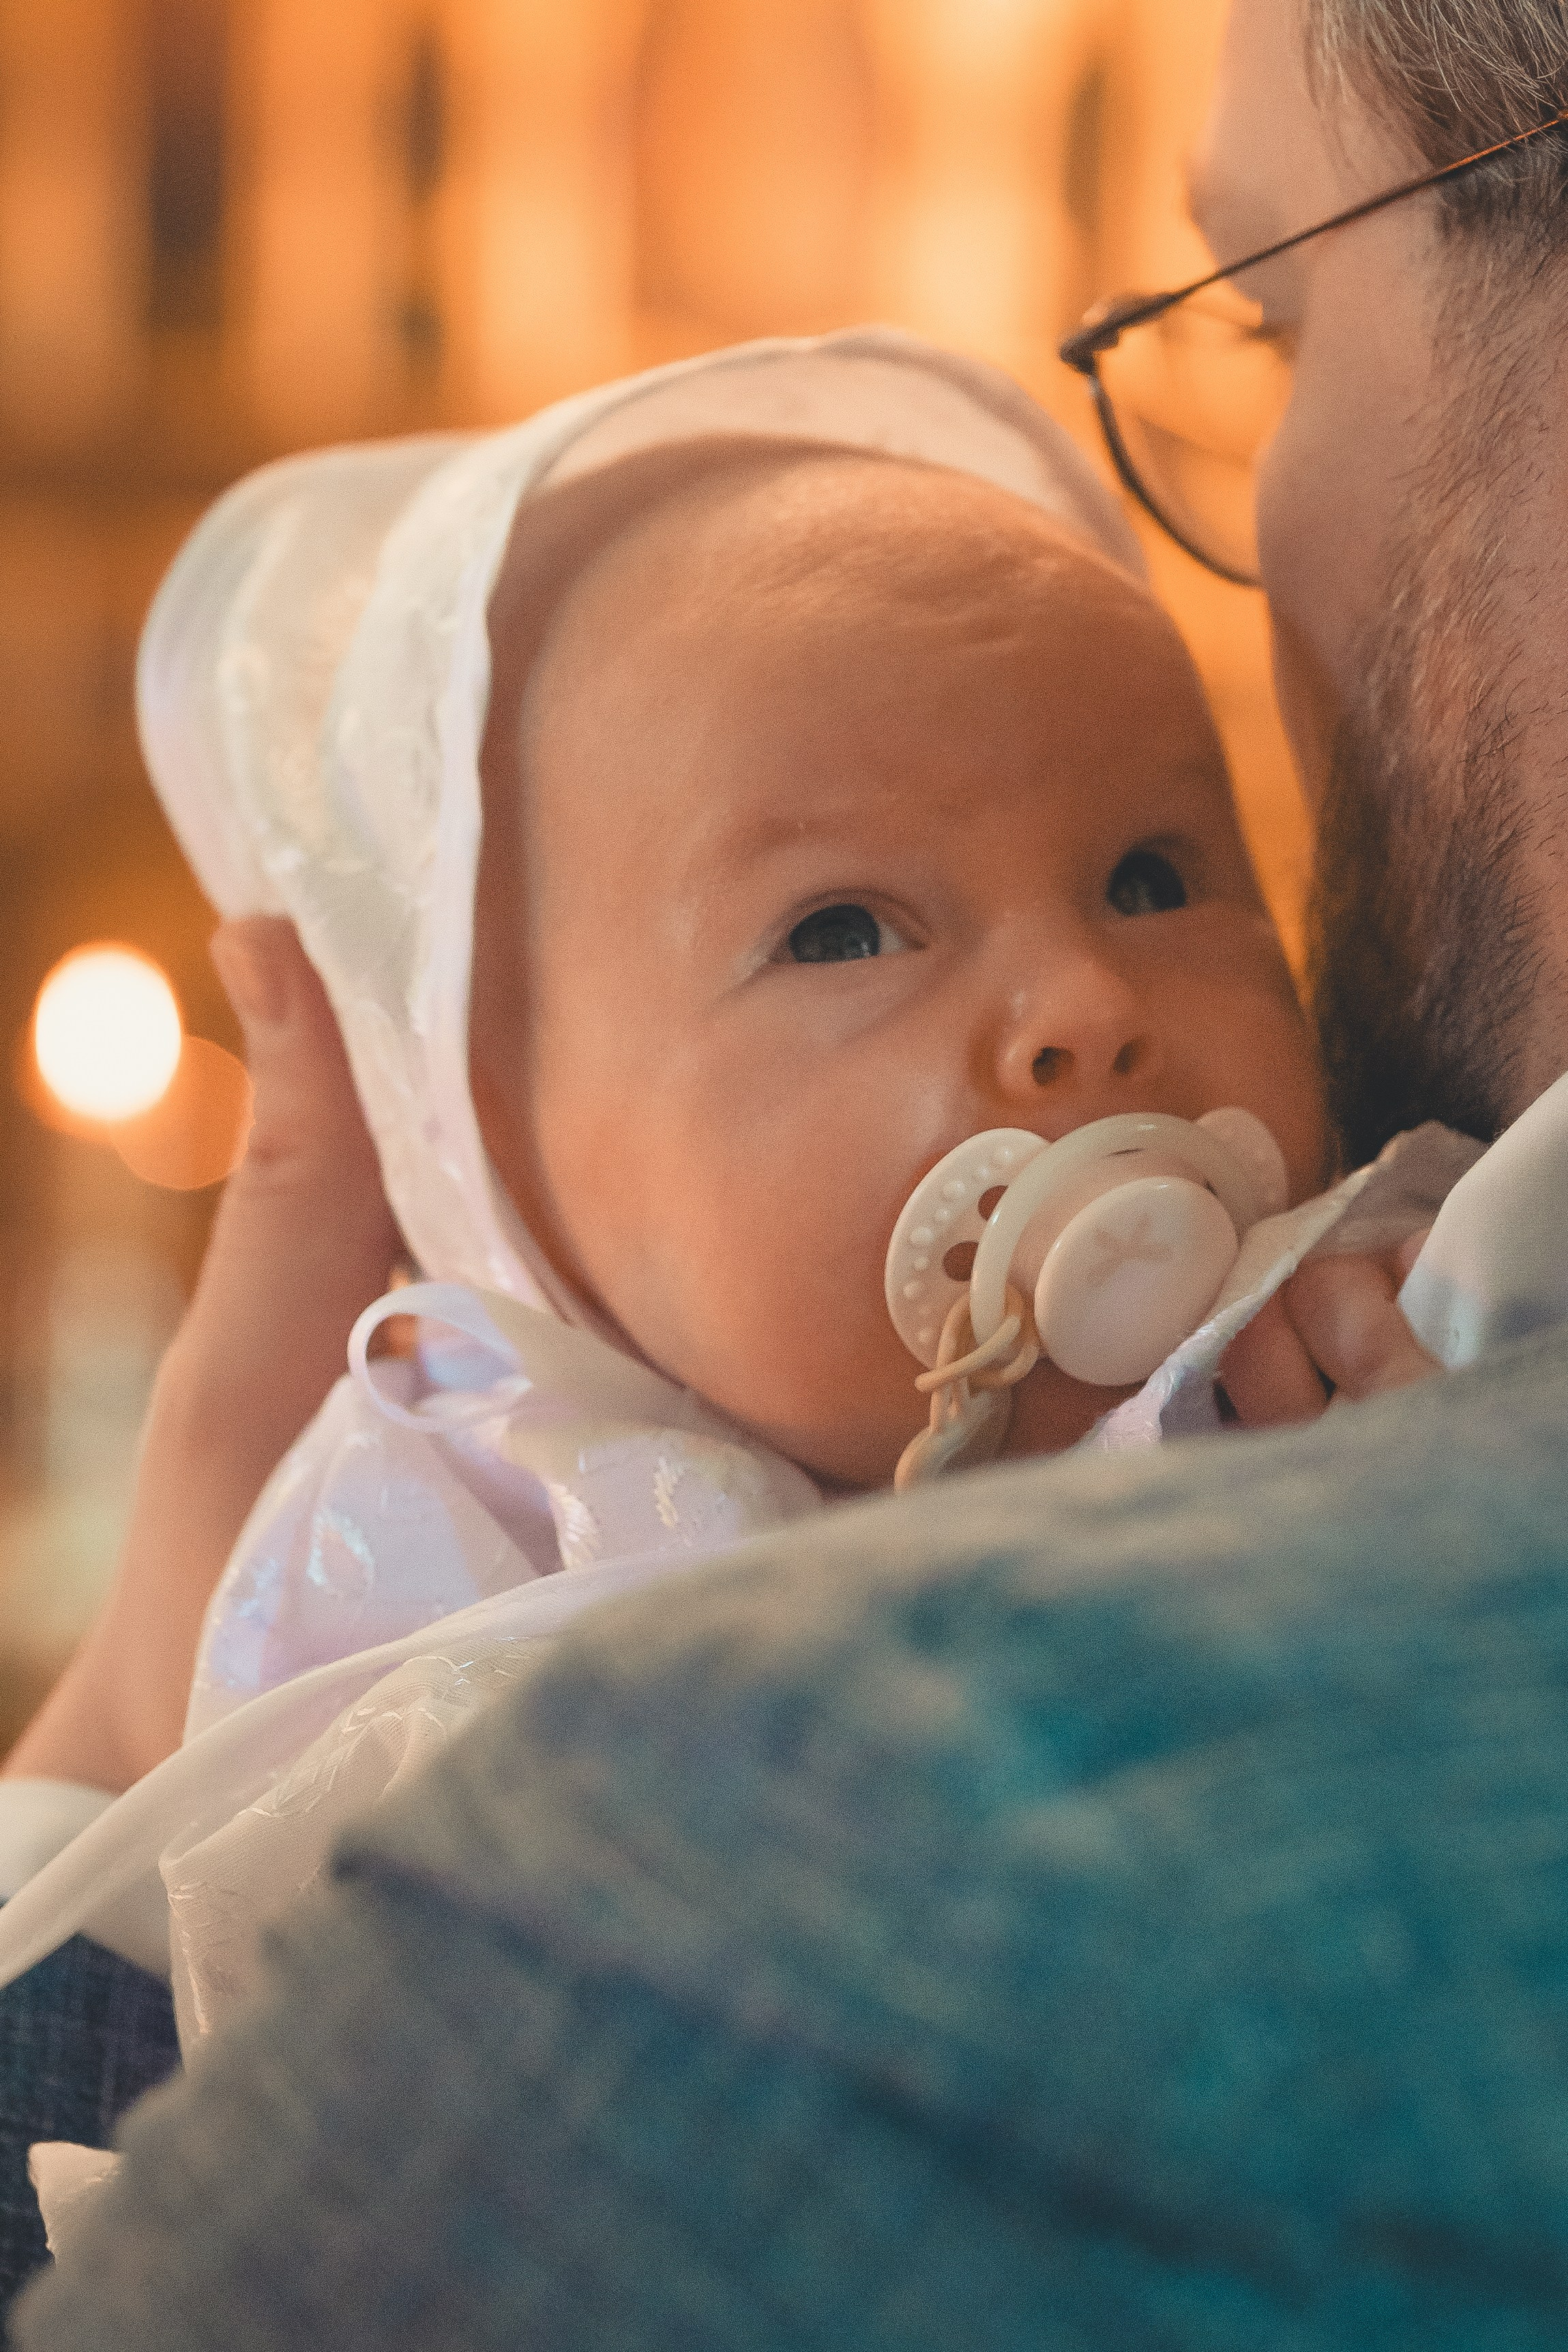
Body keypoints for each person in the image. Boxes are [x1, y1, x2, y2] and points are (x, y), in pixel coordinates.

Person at [11, 0, 1568, 2339]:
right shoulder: (430, 1533)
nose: (1076, 1002)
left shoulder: (1337, 1373)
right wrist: (127, 1757)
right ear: (497, 1162)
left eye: (1159, 867)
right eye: (840, 928)